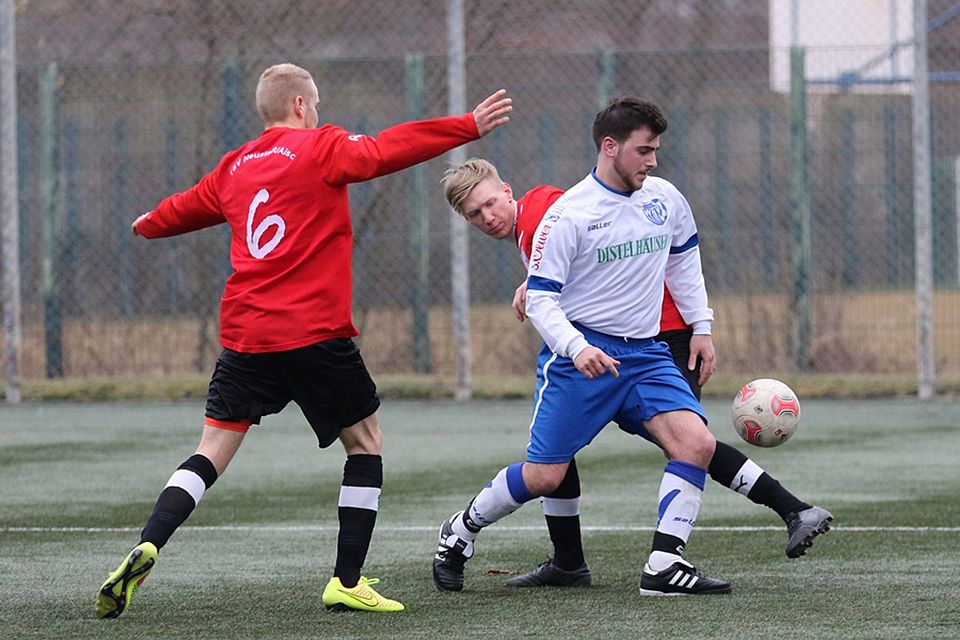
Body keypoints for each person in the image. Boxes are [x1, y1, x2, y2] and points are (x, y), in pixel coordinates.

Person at [94, 63, 512, 619]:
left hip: (246, 335)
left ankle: (149, 543)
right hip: (314, 333)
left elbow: (186, 206)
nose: (317, 111)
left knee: (210, 450)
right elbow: (387, 149)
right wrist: (464, 126)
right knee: (365, 444)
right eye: (314, 104)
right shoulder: (322, 147)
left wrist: (145, 223)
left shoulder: (234, 166)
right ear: (299, 106)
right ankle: (346, 580)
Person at [439, 158, 833, 588]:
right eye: (474, 214)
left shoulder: (541, 211)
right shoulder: (532, 224)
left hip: (655, 337)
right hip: (612, 342)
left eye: (490, 204)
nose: (487, 217)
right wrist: (536, 281)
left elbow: (579, 228)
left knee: (689, 443)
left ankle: (745, 528)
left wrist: (699, 324)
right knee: (572, 458)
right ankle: (567, 562)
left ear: (508, 191)